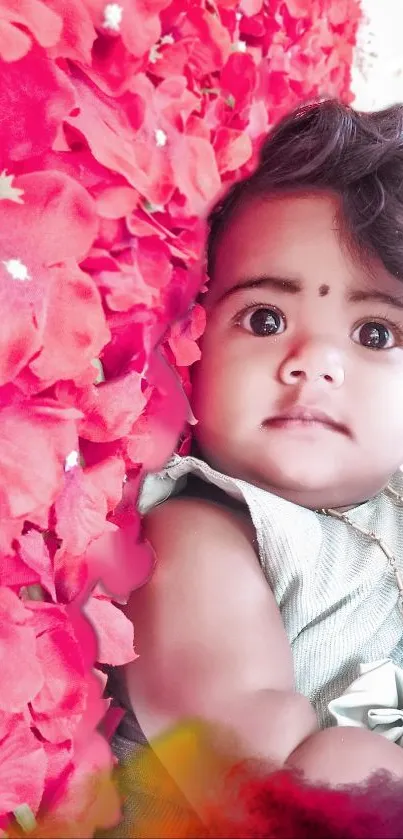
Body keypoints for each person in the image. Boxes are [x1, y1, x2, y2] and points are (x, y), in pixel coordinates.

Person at [114, 100, 403, 812]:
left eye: (373, 333)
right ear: (194, 345)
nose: (313, 363)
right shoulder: (201, 532)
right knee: (340, 762)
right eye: (265, 319)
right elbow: (255, 771)